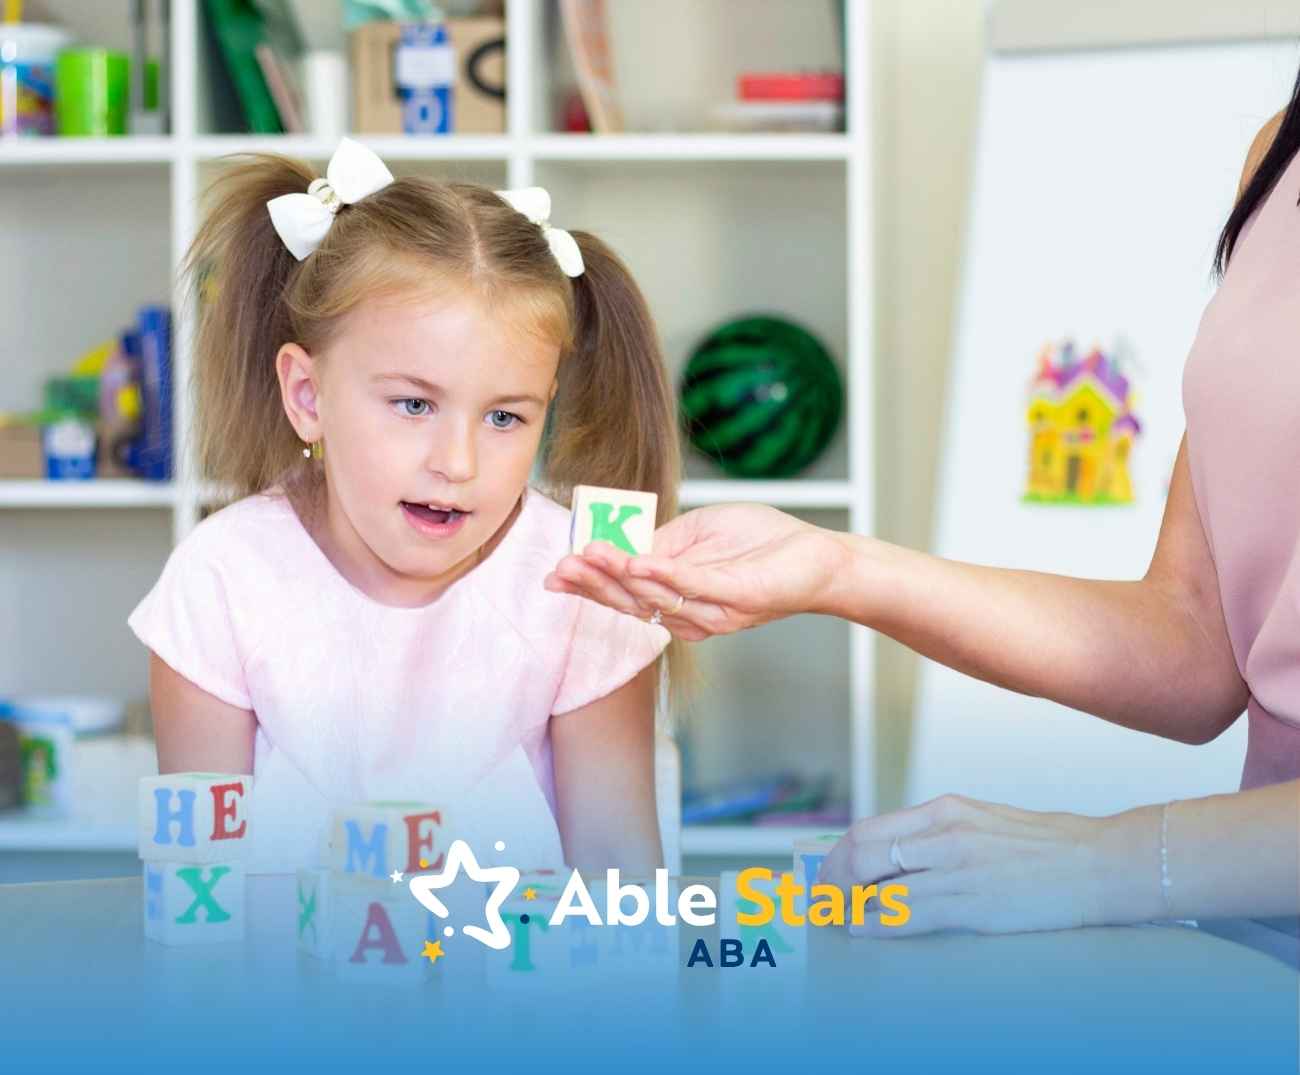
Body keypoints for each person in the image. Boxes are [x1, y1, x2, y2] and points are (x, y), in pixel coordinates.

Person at [546, 97, 1300, 934]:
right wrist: (836, 566)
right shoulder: (1278, 152)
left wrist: (1109, 859)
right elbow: (1196, 638)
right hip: (1255, 931)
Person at [128, 138, 680, 875]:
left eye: (505, 418)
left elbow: (619, 868)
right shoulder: (222, 576)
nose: (457, 462)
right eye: (414, 403)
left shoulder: (582, 581)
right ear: (307, 395)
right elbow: (198, 878)